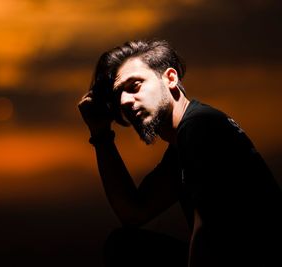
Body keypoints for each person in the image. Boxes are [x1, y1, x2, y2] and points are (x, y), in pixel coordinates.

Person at [78, 39, 282, 266]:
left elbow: (207, 233)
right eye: (118, 95)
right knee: (124, 245)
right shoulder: (185, 140)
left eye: (135, 86)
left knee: (123, 248)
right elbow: (134, 212)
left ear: (171, 78)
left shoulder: (199, 127)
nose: (125, 101)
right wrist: (101, 134)